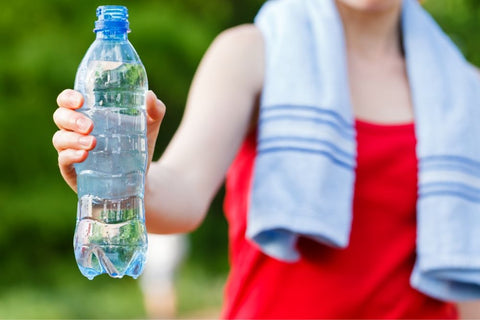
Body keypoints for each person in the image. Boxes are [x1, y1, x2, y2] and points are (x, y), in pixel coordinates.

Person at [52, 0, 480, 318]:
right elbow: (182, 195)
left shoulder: (464, 92)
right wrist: (125, 174)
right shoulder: (251, 53)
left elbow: (466, 271)